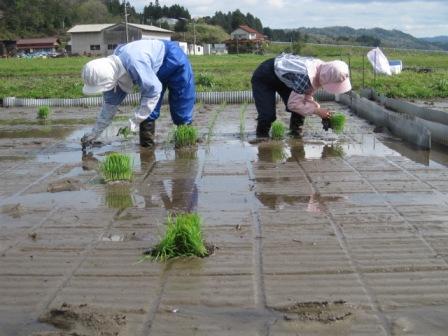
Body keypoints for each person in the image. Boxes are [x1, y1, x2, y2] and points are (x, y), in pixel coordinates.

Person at [80, 39, 195, 148]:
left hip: (173, 58)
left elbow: (153, 91)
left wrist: (135, 121)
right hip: (151, 67)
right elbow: (109, 108)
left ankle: (185, 144)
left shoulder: (134, 63)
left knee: (181, 104)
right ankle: (147, 148)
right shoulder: (111, 72)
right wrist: (94, 133)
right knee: (148, 111)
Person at [251, 53, 352, 137]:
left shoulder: (323, 69)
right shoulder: (307, 76)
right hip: (264, 76)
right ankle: (261, 139)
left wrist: (318, 109)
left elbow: (306, 96)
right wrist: (317, 111)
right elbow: (293, 104)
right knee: (268, 116)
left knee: (302, 105)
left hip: (284, 78)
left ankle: (295, 133)